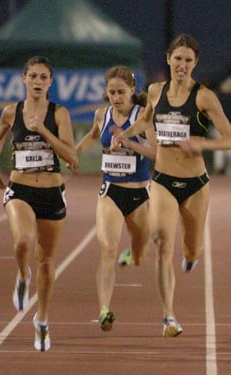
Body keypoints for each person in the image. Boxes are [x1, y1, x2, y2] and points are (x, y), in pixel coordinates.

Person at [111, 34, 231, 337]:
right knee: (161, 241)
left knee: (191, 249)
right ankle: (168, 316)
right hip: (163, 180)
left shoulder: (204, 97)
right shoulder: (155, 91)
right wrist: (124, 135)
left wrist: (201, 143)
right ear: (168, 58)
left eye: (188, 60)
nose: (182, 65)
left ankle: (192, 256)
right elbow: (145, 121)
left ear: (195, 64)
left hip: (195, 184)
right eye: (178, 59)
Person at [0, 56, 79, 351]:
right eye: (33, 76)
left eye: (44, 78)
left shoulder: (59, 113)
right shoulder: (11, 111)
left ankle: (42, 321)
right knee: (23, 241)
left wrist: (44, 130)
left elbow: (71, 157)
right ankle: (23, 274)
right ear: (24, 79)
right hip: (20, 189)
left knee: (48, 261)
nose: (38, 82)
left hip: (51, 191)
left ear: (50, 83)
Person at [74, 65, 155, 332]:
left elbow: (156, 153)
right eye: (111, 92)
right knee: (107, 248)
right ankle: (104, 309)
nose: (116, 97)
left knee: (141, 255)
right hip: (110, 191)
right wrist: (74, 153)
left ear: (133, 91)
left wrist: (130, 142)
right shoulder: (102, 114)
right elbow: (93, 135)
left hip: (140, 194)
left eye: (121, 92)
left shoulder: (142, 116)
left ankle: (132, 253)